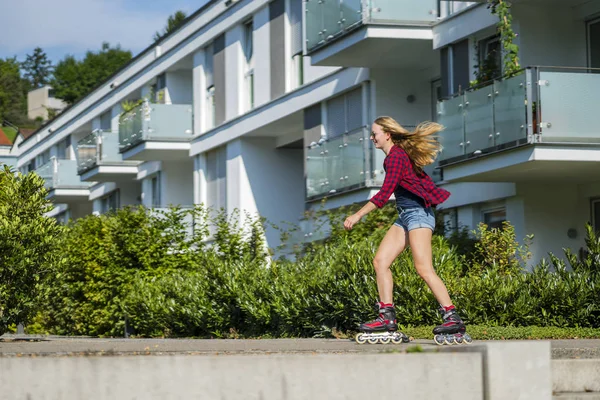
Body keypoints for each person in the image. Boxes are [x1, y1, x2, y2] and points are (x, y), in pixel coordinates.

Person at [344, 116, 468, 344]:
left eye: (375, 134)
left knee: (423, 268)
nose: (372, 138)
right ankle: (387, 317)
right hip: (406, 216)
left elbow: (384, 194)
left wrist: (357, 214)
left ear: (387, 134)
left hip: (418, 214)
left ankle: (452, 317)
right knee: (380, 262)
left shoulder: (396, 157)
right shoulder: (395, 157)